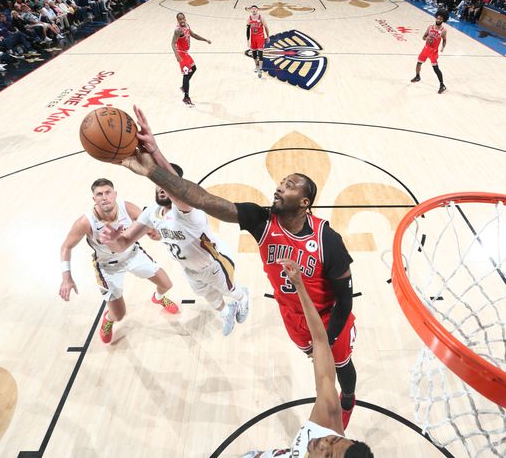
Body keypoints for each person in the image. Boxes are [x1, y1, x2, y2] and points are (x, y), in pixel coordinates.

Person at [117, 106, 360, 429]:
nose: (279, 187)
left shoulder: (328, 240)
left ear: (305, 202)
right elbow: (199, 198)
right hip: (292, 316)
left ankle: (348, 399)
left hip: (329, 316)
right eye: (281, 182)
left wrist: (327, 340)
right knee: (316, 361)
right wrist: (154, 164)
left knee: (339, 367)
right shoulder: (261, 220)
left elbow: (345, 299)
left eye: (289, 185)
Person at [99, 163, 250, 336]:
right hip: (189, 268)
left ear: (177, 186)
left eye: (167, 183)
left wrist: (158, 166)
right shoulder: (152, 212)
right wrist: (111, 241)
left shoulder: (188, 210)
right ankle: (226, 312)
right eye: (158, 182)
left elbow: (180, 196)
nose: (161, 187)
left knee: (229, 290)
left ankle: (243, 297)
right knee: (207, 294)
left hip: (214, 263)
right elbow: (123, 243)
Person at [241, 260, 373, 458]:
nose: (323, 441)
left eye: (327, 454)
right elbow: (320, 342)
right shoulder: (328, 415)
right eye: (334, 439)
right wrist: (300, 285)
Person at [59, 178, 180, 344]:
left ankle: (158, 298)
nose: (104, 197)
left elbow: (151, 228)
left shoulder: (128, 208)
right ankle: (108, 319)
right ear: (94, 199)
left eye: (108, 192)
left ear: (115, 194)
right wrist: (66, 278)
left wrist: (155, 233)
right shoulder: (85, 222)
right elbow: (66, 247)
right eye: (99, 194)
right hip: (108, 267)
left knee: (167, 284)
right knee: (119, 315)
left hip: (133, 254)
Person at [172, 12, 211, 107]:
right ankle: (186, 97)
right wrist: (177, 55)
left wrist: (205, 40)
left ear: (185, 19)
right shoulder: (178, 30)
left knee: (194, 68)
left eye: (183, 18)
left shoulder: (187, 26)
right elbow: (172, 43)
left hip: (185, 53)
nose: (182, 20)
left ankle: (183, 87)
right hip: (181, 53)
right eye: (179, 19)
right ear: (177, 20)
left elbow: (194, 35)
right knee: (186, 75)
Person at [410, 9, 448, 94]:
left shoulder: (443, 30)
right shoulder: (430, 27)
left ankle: (442, 85)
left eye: (440, 19)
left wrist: (443, 47)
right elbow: (423, 37)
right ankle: (417, 76)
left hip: (433, 52)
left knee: (436, 69)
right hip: (425, 49)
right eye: (437, 18)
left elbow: (444, 40)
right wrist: (426, 38)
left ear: (443, 20)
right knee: (418, 63)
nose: (438, 20)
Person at [246, 5, 270, 78]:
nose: (253, 10)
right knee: (254, 54)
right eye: (252, 9)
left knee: (260, 54)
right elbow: (247, 30)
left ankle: (260, 69)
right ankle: (256, 65)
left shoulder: (261, 18)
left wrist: (268, 36)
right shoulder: (249, 19)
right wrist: (248, 40)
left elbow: (266, 27)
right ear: (250, 10)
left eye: (255, 9)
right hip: (253, 37)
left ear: (257, 10)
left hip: (260, 37)